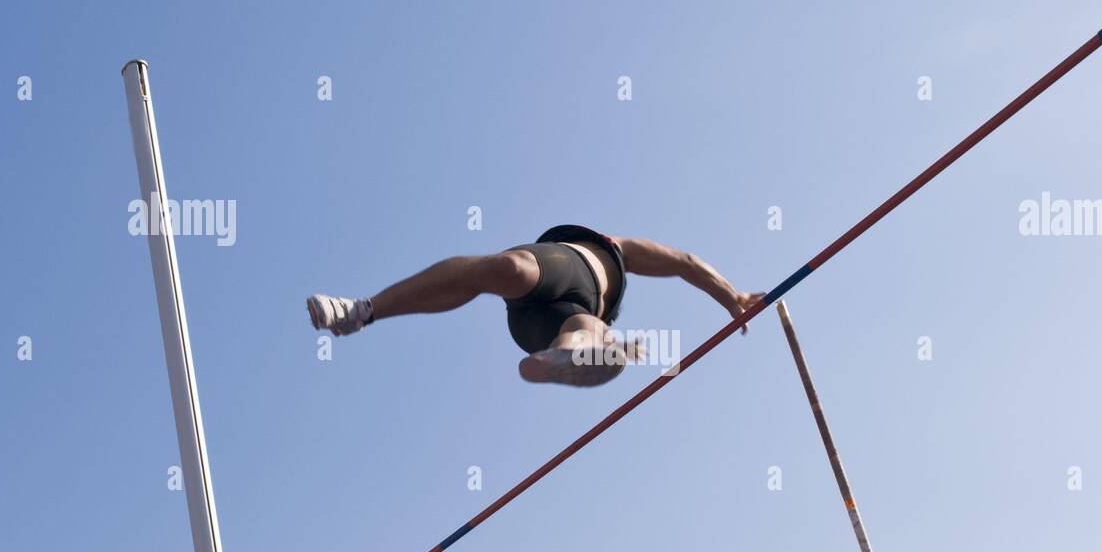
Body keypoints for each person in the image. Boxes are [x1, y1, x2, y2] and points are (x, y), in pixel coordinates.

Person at [307, 224, 764, 386]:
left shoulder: (620, 253)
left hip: (562, 318)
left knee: (585, 326)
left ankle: (573, 354)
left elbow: (683, 263)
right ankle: (363, 310)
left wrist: (732, 297)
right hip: (552, 284)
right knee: (508, 269)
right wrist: (732, 298)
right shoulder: (601, 247)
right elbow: (686, 263)